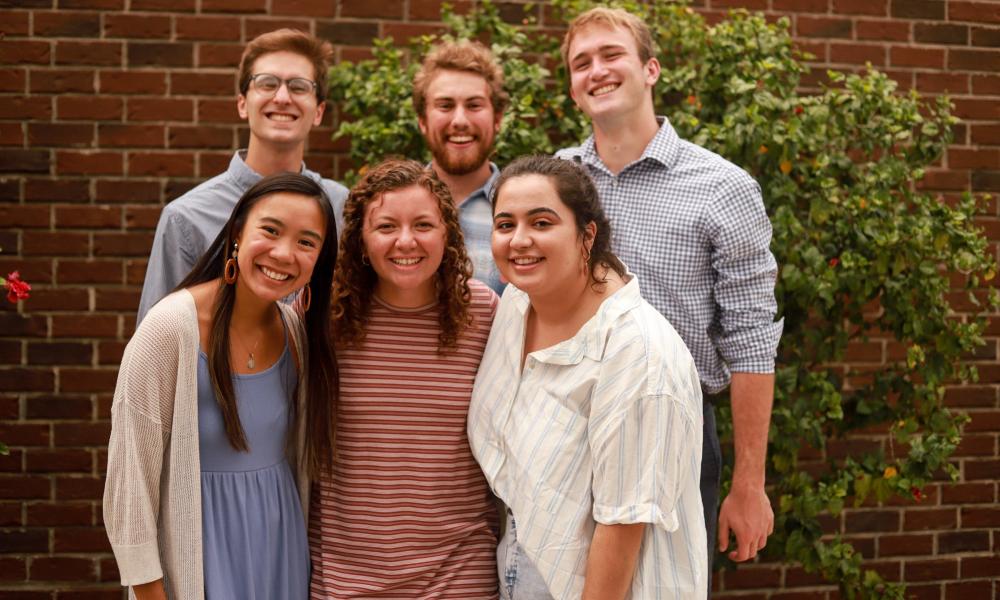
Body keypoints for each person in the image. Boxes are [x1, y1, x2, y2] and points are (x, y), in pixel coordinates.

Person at [554, 7, 783, 574]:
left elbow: (752, 340)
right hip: (563, 423)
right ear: (573, 91)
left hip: (673, 430)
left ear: (651, 69)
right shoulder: (554, 180)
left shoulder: (724, 188)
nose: (597, 70)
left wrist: (749, 485)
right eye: (582, 63)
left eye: (612, 55)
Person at [468, 156, 706, 599]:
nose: (520, 240)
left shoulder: (637, 353)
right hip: (520, 566)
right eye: (505, 224)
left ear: (587, 234)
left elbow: (622, 523)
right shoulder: (518, 305)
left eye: (541, 222)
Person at [103, 173, 339, 600]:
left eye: (307, 242)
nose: (284, 253)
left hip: (282, 551)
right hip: (199, 557)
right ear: (236, 234)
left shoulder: (296, 335)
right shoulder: (169, 329)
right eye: (270, 230)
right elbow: (129, 484)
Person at [309, 159, 500, 599]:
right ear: (360, 239)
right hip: (345, 573)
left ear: (447, 233)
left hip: (458, 570)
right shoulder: (322, 318)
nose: (406, 241)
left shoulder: (485, 314)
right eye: (386, 227)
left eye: (423, 225)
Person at [137, 28, 349, 324]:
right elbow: (156, 342)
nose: (283, 97)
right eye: (267, 83)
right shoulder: (187, 218)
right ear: (242, 103)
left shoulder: (344, 209)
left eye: (299, 86)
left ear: (319, 111)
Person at [413, 40, 507, 294]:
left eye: (474, 105)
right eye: (445, 106)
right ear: (422, 120)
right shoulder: (391, 207)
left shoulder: (521, 212)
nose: (460, 120)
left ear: (497, 118)